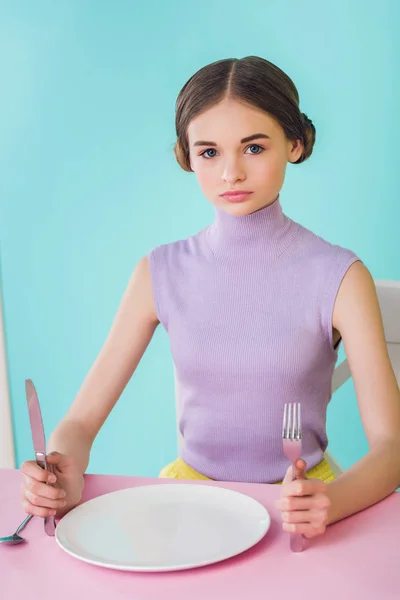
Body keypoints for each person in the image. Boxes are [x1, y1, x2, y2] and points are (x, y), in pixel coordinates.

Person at [20, 56, 400, 540]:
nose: (231, 173)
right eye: (209, 153)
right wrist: (63, 471)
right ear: (187, 157)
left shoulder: (342, 277)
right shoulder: (157, 273)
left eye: (254, 147)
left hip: (303, 502)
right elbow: (78, 423)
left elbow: (392, 448)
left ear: (295, 144)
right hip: (191, 504)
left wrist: (332, 500)